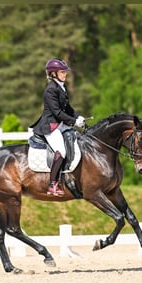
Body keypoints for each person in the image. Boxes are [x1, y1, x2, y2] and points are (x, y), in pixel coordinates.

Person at [31, 58, 85, 196]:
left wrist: (78, 117)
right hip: (51, 126)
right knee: (61, 151)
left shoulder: (62, 86)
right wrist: (73, 122)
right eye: (62, 72)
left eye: (65, 71)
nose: (65, 74)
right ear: (53, 74)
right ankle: (52, 184)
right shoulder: (50, 90)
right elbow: (57, 112)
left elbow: (67, 108)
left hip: (60, 124)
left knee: (77, 140)